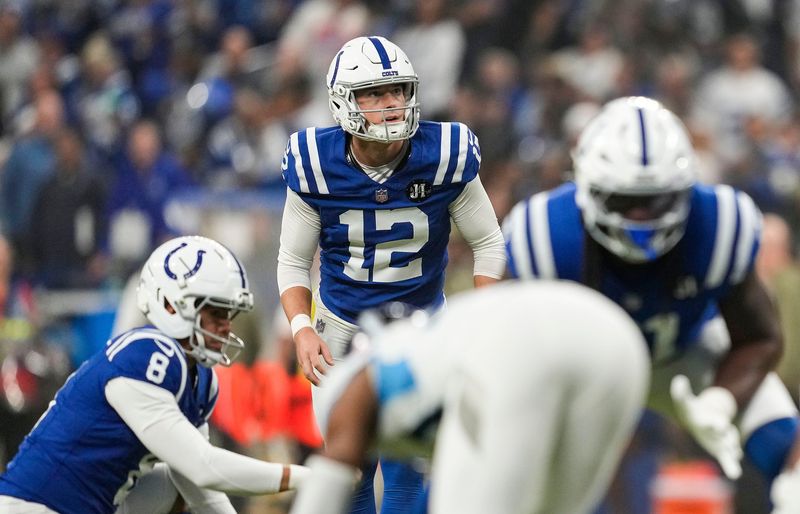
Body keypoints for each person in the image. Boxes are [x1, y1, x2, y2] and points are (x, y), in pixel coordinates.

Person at [503, 96, 800, 505]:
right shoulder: (545, 237)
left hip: (685, 358)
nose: (641, 219)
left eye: (657, 199)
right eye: (624, 201)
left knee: (793, 467)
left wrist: (721, 400)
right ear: (585, 186)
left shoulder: (718, 224)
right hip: (583, 376)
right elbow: (510, 355)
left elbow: (760, 339)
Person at [277, 35, 506, 513]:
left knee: (410, 469)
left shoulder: (444, 154)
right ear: (345, 102)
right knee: (351, 472)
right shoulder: (315, 163)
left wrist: (488, 321)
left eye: (398, 91)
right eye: (375, 94)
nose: (391, 104)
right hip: (341, 328)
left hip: (420, 326)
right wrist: (301, 328)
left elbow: (487, 244)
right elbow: (293, 261)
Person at [0, 235, 308, 514]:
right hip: (34, 505)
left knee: (176, 482)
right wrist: (307, 476)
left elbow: (200, 490)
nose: (226, 326)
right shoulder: (147, 354)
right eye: (215, 313)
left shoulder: (199, 378)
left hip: (85, 505)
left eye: (228, 315)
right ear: (172, 307)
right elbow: (206, 467)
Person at [289, 280, 651, 514]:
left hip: (513, 354)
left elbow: (334, 471)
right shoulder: (443, 339)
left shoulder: (360, 378)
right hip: (617, 342)